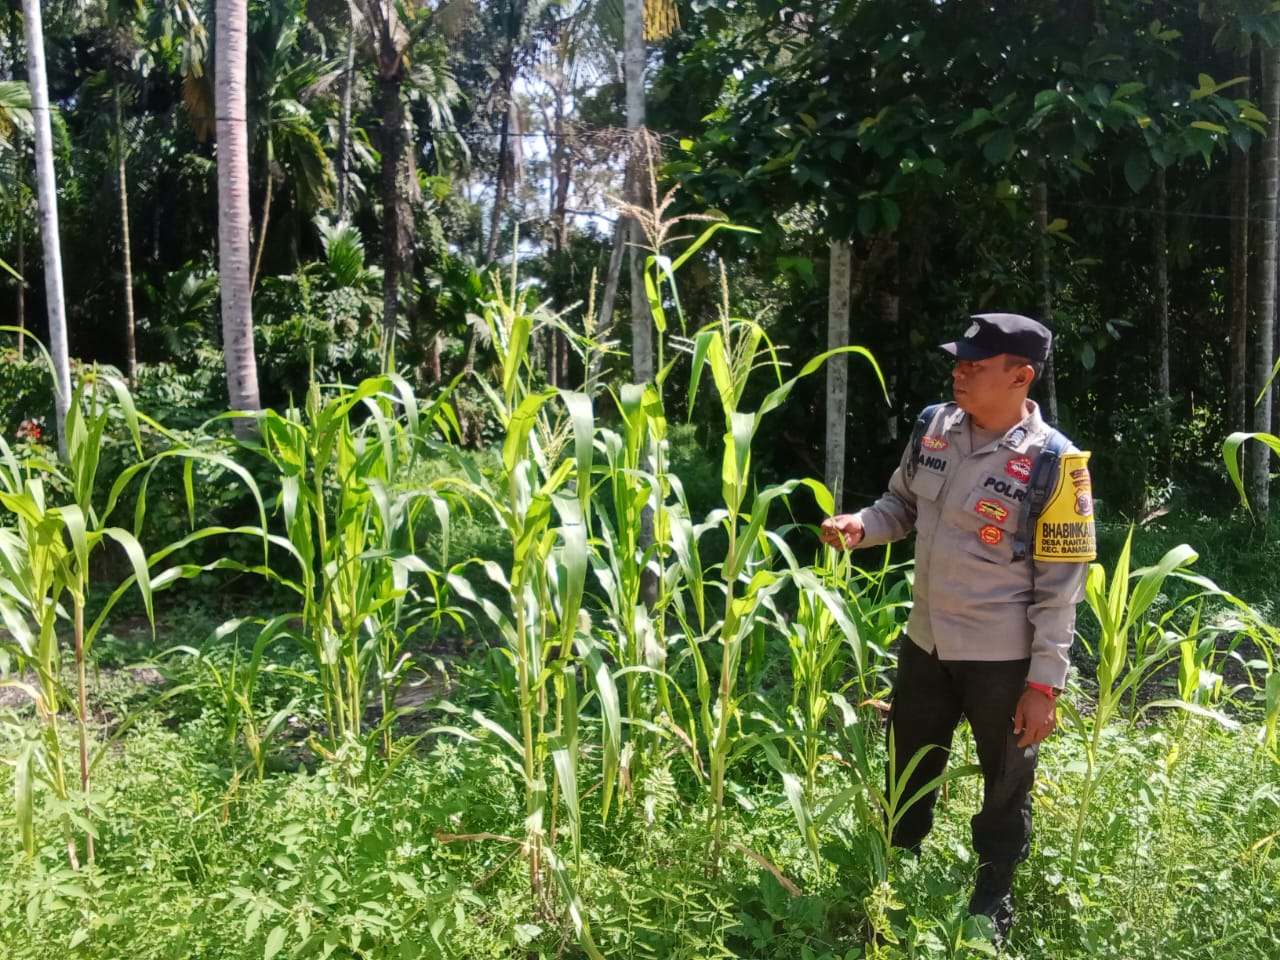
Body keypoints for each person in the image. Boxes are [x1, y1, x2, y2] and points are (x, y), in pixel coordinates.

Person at [819, 313, 1095, 941]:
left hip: (1002, 661)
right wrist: (864, 524)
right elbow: (903, 504)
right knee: (907, 769)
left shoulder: (1056, 464)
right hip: (925, 643)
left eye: (975, 365)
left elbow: (1061, 587)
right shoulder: (933, 427)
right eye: (959, 361)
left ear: (1020, 377)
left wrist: (1044, 684)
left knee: (1004, 785)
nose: (958, 373)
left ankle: (991, 900)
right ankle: (892, 891)